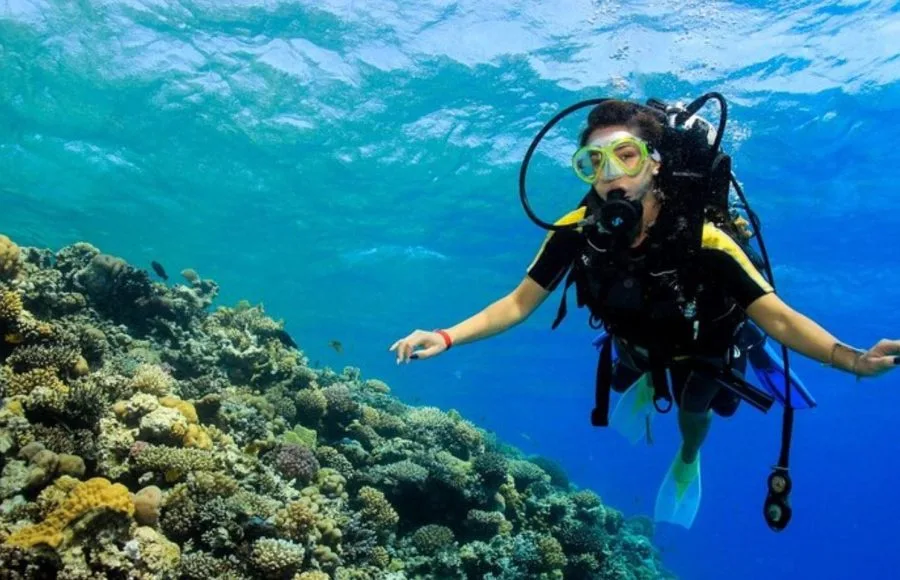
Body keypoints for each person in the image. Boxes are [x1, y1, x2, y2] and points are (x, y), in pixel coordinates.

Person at [388, 99, 900, 529]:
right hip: (634, 341)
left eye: (626, 157)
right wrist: (446, 335)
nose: (611, 176)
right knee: (625, 382)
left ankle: (687, 459)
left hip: (707, 348)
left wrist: (851, 359)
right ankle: (649, 385)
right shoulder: (576, 229)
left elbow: (780, 318)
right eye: (595, 162)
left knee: (694, 413)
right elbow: (519, 302)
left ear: (654, 163)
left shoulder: (704, 237)